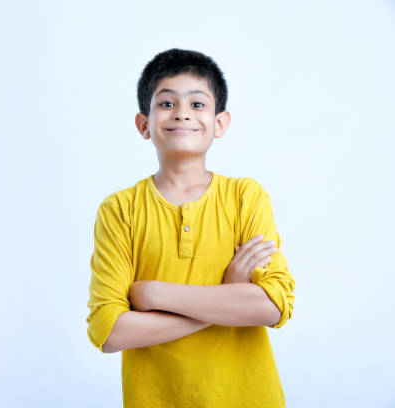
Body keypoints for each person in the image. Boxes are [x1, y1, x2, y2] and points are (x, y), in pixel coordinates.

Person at [85, 48, 296, 407]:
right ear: (144, 124)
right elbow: (108, 330)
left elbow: (274, 304)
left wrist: (155, 295)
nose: (182, 112)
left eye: (198, 104)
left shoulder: (245, 197)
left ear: (219, 123)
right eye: (166, 103)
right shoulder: (120, 210)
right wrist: (227, 296)